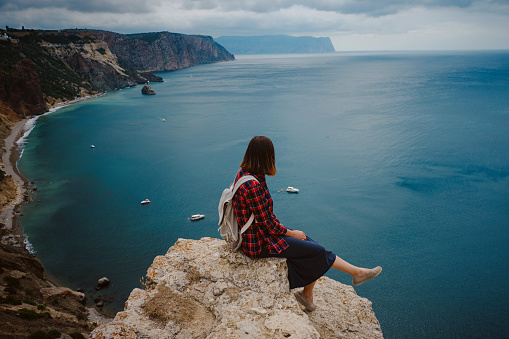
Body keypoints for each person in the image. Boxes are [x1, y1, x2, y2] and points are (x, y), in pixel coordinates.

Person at [232, 136, 382, 312]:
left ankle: (353, 274)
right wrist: (290, 233)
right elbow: (267, 224)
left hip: (258, 234)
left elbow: (264, 219)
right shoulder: (253, 185)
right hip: (258, 243)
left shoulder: (245, 174)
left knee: (313, 246)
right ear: (266, 156)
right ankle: (350, 276)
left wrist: (290, 233)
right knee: (315, 251)